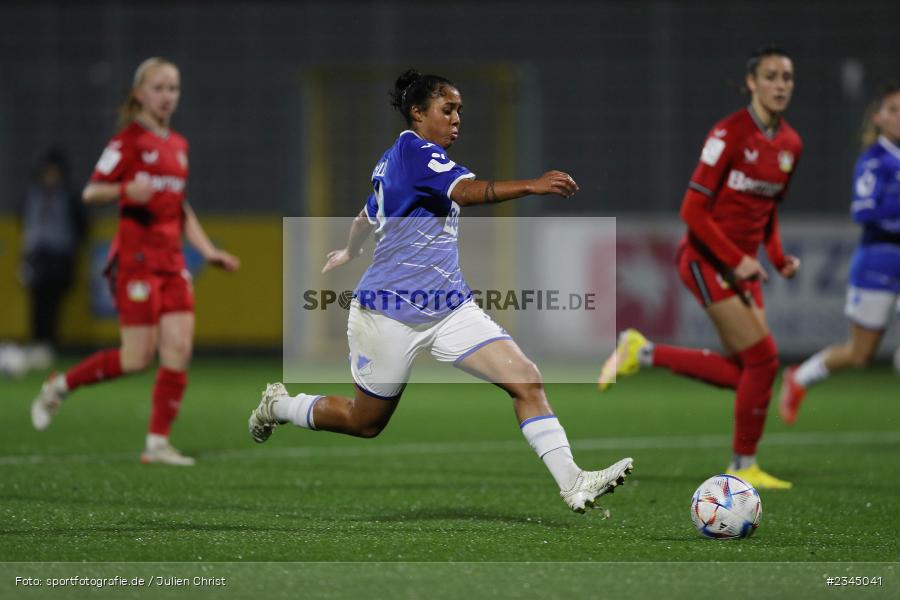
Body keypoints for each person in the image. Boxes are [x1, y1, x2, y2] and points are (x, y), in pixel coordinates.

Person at [249, 69, 633, 514]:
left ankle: (573, 482)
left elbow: (364, 216)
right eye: (447, 109)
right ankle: (280, 406)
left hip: (450, 310)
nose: (456, 120)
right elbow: (467, 193)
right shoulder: (414, 153)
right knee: (365, 421)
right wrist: (532, 185)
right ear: (418, 112)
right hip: (388, 314)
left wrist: (350, 250)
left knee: (525, 379)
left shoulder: (399, 160)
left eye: (459, 112)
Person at [598, 46, 803, 489]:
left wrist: (779, 257)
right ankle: (741, 465)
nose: (781, 85)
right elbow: (692, 210)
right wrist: (736, 259)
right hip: (706, 260)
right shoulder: (728, 133)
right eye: (771, 76)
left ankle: (643, 352)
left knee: (748, 371)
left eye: (787, 77)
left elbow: (768, 213)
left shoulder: (790, 145)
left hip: (744, 269)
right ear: (751, 82)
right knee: (764, 363)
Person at [30, 57, 240, 466]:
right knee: (136, 359)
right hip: (137, 263)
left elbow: (180, 208)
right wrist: (127, 189)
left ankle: (157, 443)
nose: (167, 97)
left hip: (172, 262)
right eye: (159, 88)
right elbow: (92, 192)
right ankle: (60, 386)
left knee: (178, 347)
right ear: (140, 94)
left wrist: (208, 250)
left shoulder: (179, 147)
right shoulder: (126, 142)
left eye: (173, 88)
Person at [780, 82, 900, 423]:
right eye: (893, 110)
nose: (899, 117)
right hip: (878, 262)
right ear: (877, 118)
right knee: (861, 354)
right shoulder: (875, 161)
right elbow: (863, 212)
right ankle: (799, 378)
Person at [17, 148, 87, 365]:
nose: (51, 176)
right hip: (36, 254)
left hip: (59, 256)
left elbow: (82, 227)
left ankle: (49, 343)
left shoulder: (69, 197)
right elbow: (26, 223)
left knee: (54, 301)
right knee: (36, 300)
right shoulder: (33, 195)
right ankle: (37, 343)